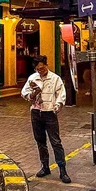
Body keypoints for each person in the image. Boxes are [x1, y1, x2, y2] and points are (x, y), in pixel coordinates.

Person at [21, 55, 70, 183]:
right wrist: (32, 94)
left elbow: (61, 94)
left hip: (49, 113)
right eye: (38, 69)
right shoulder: (32, 78)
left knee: (56, 142)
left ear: (46, 65)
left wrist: (58, 105)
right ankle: (45, 166)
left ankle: (62, 170)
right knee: (40, 141)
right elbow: (24, 93)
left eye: (42, 68)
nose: (40, 71)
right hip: (36, 113)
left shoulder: (55, 79)